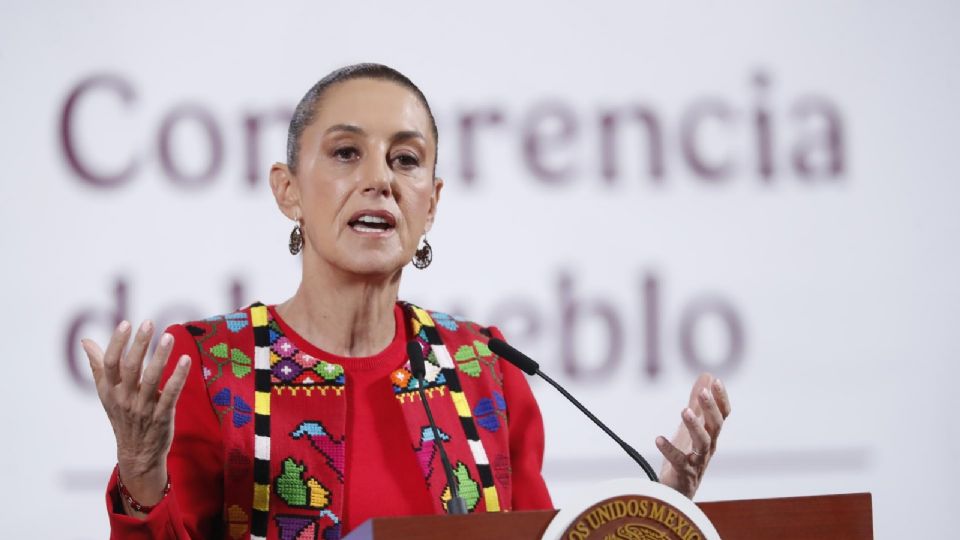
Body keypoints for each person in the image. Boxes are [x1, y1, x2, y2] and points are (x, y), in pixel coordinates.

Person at [82, 63, 732, 540]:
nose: (379, 180)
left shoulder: (486, 369)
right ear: (288, 191)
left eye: (406, 160)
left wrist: (660, 517)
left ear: (432, 202)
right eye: (346, 153)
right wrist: (140, 472)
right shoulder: (208, 365)